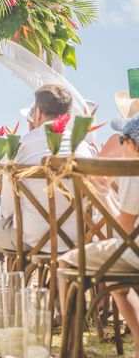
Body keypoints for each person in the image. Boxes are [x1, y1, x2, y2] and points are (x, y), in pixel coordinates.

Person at [0, 84, 92, 263]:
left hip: (32, 239)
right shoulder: (84, 149)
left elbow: (8, 210)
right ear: (68, 117)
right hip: (78, 238)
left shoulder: (21, 148)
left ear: (37, 113)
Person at [59, 114, 139, 357]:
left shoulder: (133, 172)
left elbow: (123, 232)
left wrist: (104, 195)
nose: (120, 143)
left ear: (133, 144)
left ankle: (73, 349)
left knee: (65, 263)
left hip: (135, 253)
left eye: (122, 138)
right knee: (116, 281)